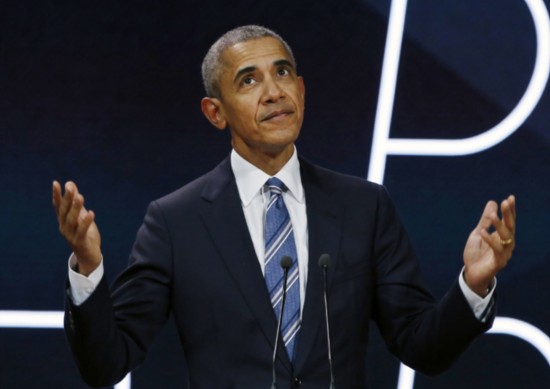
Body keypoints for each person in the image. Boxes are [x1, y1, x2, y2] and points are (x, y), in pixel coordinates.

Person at [52, 25, 516, 388]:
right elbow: (106, 364)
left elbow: (423, 348)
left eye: (282, 72)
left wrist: (473, 285)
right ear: (216, 112)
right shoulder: (176, 221)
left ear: (302, 90)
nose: (274, 91)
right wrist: (88, 268)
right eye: (248, 80)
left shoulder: (364, 207)